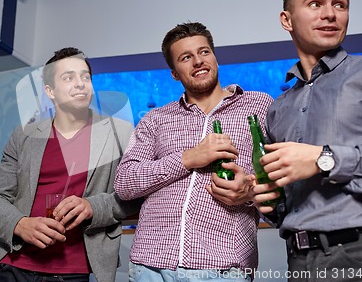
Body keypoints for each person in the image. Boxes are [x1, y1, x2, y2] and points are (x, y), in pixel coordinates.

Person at [251, 0, 362, 281]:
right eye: (315, 4)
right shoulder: (278, 109)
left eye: (340, 5)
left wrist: (324, 159)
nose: (330, 14)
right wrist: (265, 200)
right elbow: (288, 205)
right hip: (299, 261)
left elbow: (319, 161)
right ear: (287, 20)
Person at [114, 22, 273, 281]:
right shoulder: (156, 119)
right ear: (175, 74)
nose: (198, 61)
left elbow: (281, 179)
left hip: (223, 267)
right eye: (186, 57)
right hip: (150, 267)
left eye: (204, 52)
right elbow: (125, 183)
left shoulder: (259, 106)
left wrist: (251, 192)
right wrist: (188, 158)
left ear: (215, 57)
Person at [0, 47, 140, 282]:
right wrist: (19, 224)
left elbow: (136, 196)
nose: (80, 84)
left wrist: (92, 207)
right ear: (50, 91)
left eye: (85, 77)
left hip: (74, 272)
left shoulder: (120, 133)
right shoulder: (24, 135)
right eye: (68, 77)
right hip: (12, 266)